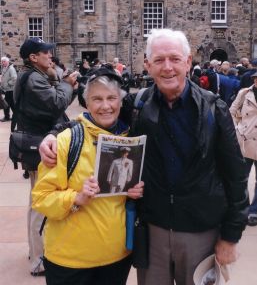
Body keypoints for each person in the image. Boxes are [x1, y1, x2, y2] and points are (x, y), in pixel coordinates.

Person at [39, 29, 248, 285]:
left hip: (200, 231)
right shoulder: (138, 105)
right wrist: (54, 132)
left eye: (174, 58)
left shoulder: (214, 108)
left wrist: (230, 236)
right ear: (147, 65)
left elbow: (236, 175)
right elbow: (99, 116)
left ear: (188, 61)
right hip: (153, 230)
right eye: (159, 60)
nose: (167, 67)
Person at [32, 66, 144, 285]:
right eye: (97, 99)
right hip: (70, 261)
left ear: (121, 102)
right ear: (87, 102)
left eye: (111, 98)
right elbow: (41, 198)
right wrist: (76, 198)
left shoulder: (131, 140)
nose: (105, 106)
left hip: (116, 257)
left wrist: (136, 193)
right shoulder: (65, 141)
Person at [13, 37, 78, 276]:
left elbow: (56, 106)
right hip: (38, 146)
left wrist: (64, 85)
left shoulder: (35, 76)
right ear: (33, 57)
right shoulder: (34, 79)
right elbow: (56, 103)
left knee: (36, 200)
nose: (50, 56)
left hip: (36, 143)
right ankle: (39, 259)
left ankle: (35, 250)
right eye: (46, 53)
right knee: (42, 204)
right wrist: (68, 85)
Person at [229, 71, 257, 227]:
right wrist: (238, 129)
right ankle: (243, 209)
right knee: (241, 178)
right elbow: (231, 112)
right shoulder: (245, 93)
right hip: (246, 140)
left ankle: (254, 211)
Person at [0, 56, 17, 121]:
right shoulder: (4, 68)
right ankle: (15, 116)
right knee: (12, 104)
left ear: (7, 62)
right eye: (2, 62)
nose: (2, 63)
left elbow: (14, 79)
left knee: (6, 104)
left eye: (4, 61)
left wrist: (8, 84)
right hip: (6, 89)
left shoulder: (11, 69)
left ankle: (7, 117)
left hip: (10, 89)